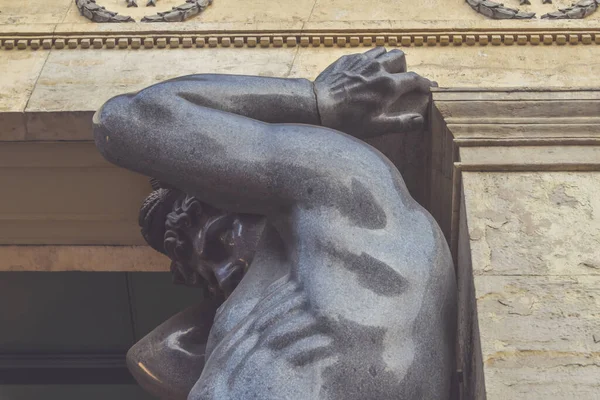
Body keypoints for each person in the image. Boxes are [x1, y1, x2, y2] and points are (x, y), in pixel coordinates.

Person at [93, 47, 457, 399]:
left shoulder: (348, 188)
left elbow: (133, 118)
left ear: (243, 194)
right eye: (206, 279)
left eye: (220, 243)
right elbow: (148, 359)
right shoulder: (255, 322)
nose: (221, 278)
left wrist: (317, 101)